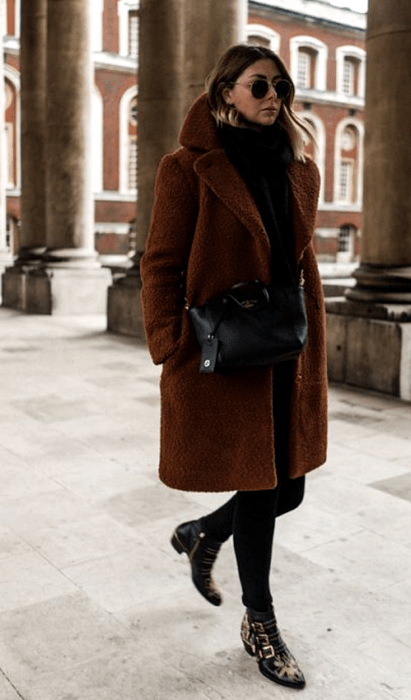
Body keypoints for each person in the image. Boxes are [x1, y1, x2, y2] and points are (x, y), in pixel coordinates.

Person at [140, 44, 328, 690]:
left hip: (286, 346)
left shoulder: (295, 165)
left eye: (283, 85)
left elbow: (298, 261)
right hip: (228, 353)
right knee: (260, 486)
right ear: (224, 94)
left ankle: (201, 534)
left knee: (289, 486)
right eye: (259, 85)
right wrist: (169, 343)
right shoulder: (187, 169)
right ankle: (261, 623)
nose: (275, 96)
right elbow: (160, 264)